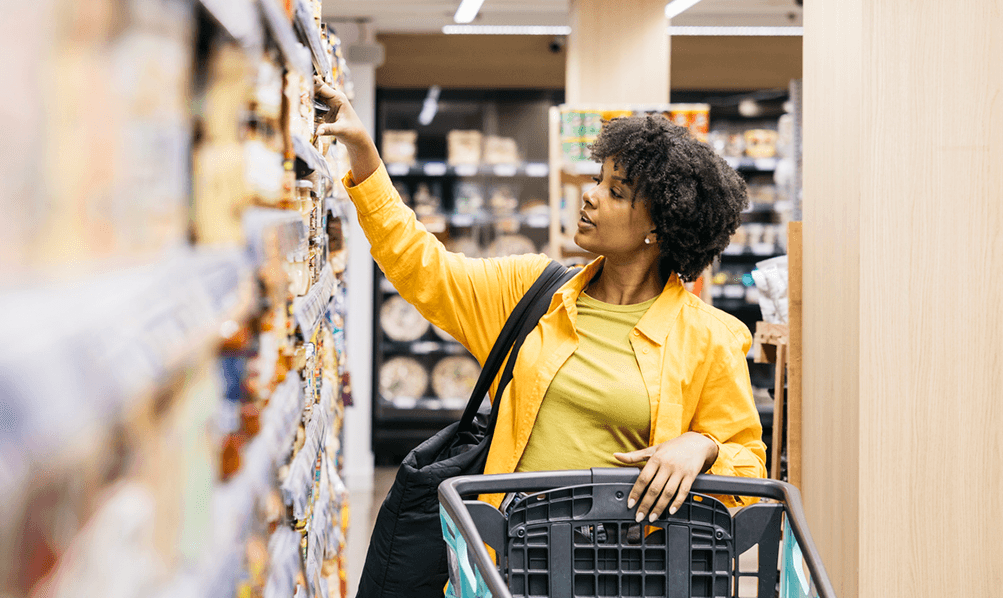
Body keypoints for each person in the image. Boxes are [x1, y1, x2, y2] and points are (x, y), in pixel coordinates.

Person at [315, 79, 766, 522]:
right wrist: (364, 153)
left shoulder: (709, 338)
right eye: (597, 178)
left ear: (660, 226)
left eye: (616, 191)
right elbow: (424, 268)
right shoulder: (533, 293)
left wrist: (704, 448)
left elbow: (749, 472)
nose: (590, 194)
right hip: (509, 562)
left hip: (630, 573)